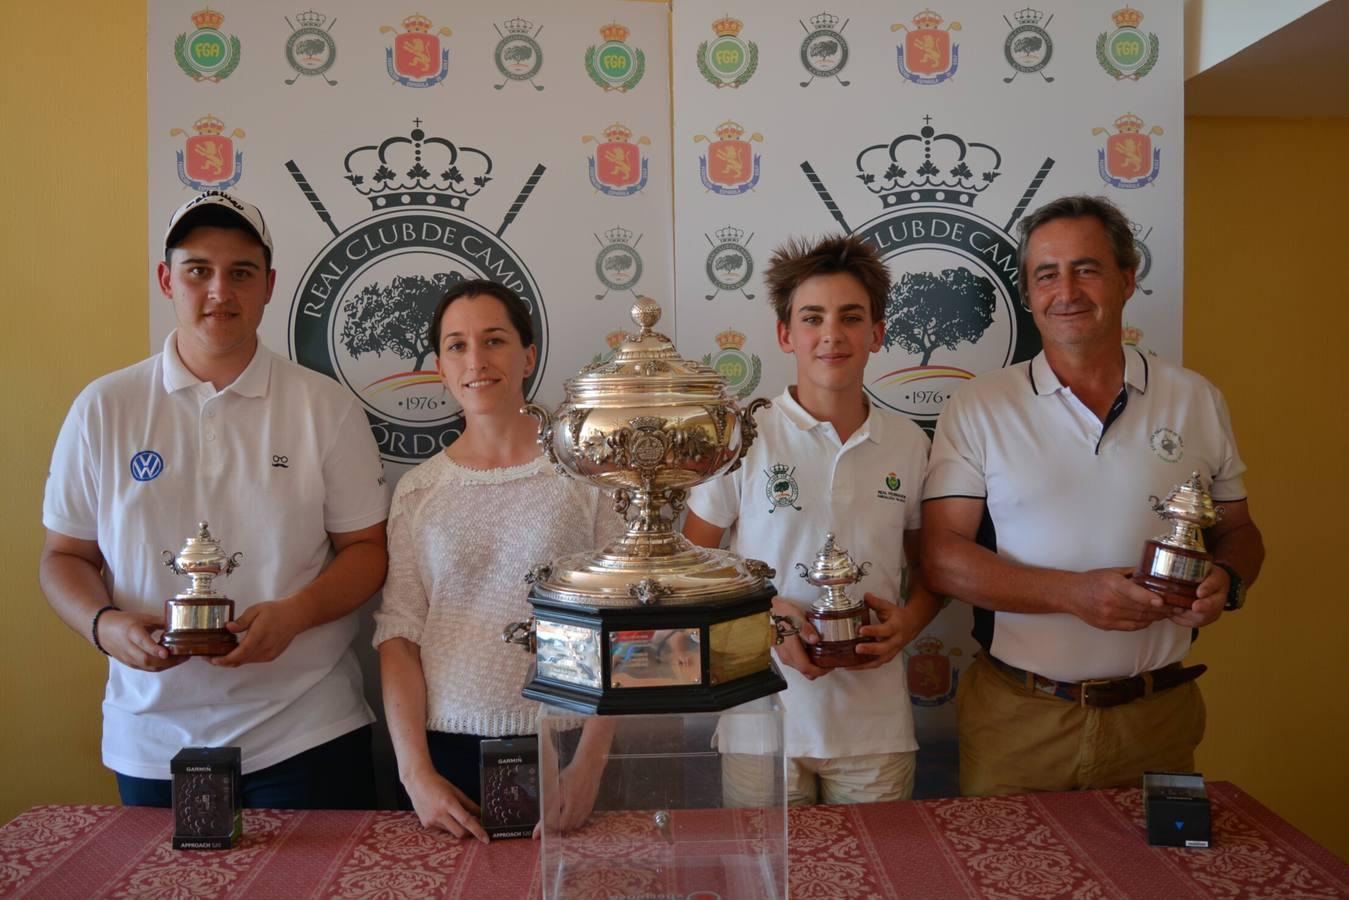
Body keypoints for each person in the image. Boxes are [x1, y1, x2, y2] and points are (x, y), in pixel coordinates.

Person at [39, 191, 390, 808]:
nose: (219, 292)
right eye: (198, 270)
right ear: (165, 278)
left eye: (241, 273)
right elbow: (64, 556)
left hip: (306, 731)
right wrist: (104, 626)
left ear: (269, 286)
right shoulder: (105, 406)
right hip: (150, 740)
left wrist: (298, 613)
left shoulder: (324, 407)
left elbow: (367, 550)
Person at [921, 194, 1265, 796]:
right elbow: (942, 557)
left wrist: (1228, 580)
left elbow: (1239, 531)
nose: (1067, 291)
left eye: (1087, 268)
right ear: (1027, 295)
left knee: (1156, 886)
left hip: (1159, 717)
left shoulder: (1196, 399)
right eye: (1046, 275)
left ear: (1127, 280)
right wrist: (1073, 594)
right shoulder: (980, 406)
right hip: (1019, 720)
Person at [684, 234, 939, 805]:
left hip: (875, 730)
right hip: (761, 720)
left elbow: (932, 574)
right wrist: (765, 612)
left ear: (876, 333)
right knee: (764, 888)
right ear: (785, 334)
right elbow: (692, 566)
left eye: (851, 317)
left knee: (874, 881)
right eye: (813, 317)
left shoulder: (909, 442)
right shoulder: (741, 435)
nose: (832, 334)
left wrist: (912, 622)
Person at [374, 279, 619, 842]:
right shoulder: (417, 491)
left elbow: (622, 624)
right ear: (439, 365)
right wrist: (417, 776)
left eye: (494, 340)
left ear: (528, 355)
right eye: (457, 345)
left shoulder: (588, 477)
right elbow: (399, 637)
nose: (476, 360)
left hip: (568, 748)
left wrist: (591, 764)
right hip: (447, 761)